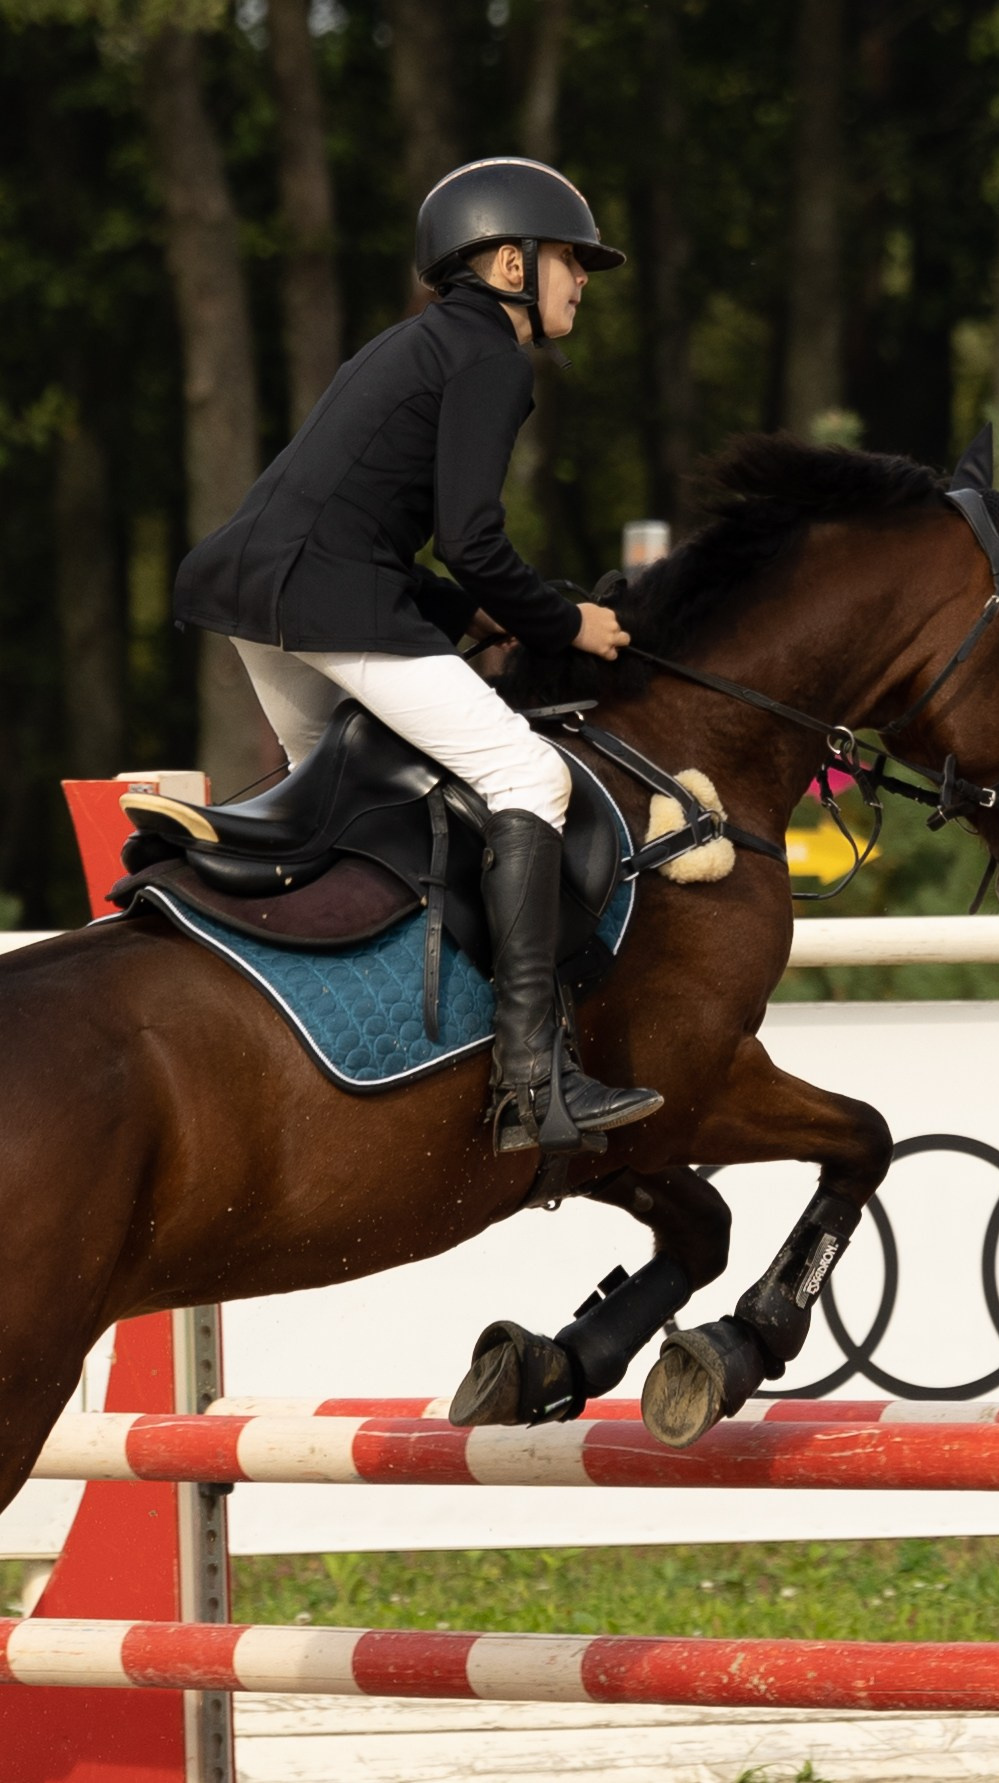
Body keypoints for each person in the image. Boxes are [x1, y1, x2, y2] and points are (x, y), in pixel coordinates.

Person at [171, 156, 663, 1155]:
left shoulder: (413, 345)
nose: (581, 281)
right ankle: (533, 1079)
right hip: (323, 602)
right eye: (570, 261)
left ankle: (348, 1042)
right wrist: (561, 624)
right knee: (525, 774)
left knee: (358, 798)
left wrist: (475, 618)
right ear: (510, 266)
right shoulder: (489, 355)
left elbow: (381, 533)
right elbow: (472, 541)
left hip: (263, 597)